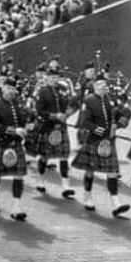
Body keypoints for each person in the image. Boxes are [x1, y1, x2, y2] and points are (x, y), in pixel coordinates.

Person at [72, 78, 131, 216]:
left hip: (109, 141)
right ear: (94, 86)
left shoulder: (111, 100)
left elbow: (124, 114)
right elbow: (85, 122)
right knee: (90, 171)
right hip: (94, 140)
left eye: (104, 85)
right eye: (99, 85)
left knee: (112, 171)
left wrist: (120, 123)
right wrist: (101, 130)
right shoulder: (88, 100)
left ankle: (116, 203)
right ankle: (87, 196)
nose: (102, 87)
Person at [0, 85, 32, 219]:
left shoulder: (19, 105)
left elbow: (23, 122)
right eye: (8, 88)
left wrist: (27, 127)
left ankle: (16, 207)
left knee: (19, 175)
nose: (11, 91)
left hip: (15, 144)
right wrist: (13, 130)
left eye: (13, 88)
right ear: (2, 90)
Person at [32, 71, 79, 199]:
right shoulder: (42, 92)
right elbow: (39, 111)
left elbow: (69, 105)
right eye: (52, 77)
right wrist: (54, 116)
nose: (54, 80)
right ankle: (40, 180)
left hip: (61, 127)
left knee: (64, 155)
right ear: (47, 78)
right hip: (48, 126)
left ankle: (66, 186)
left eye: (56, 77)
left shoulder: (62, 90)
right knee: (44, 156)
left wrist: (69, 113)